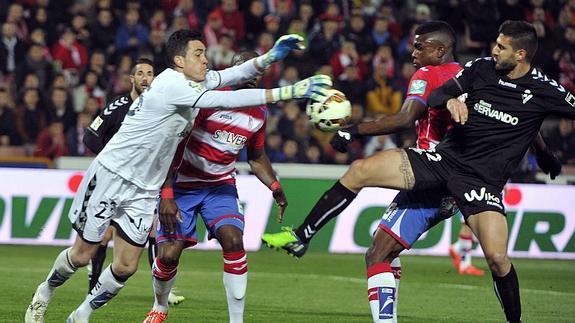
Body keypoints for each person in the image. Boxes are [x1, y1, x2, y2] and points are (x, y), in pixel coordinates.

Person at [265, 20, 571, 323]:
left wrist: (546, 155)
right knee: (360, 171)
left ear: (520, 54)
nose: (493, 49)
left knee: (497, 258)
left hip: (481, 181)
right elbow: (440, 97)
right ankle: (304, 235)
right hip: (442, 160)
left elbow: (525, 118)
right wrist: (451, 100)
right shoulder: (481, 67)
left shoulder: (545, 90)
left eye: (501, 47)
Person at [25, 29, 331, 323]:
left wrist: (271, 56)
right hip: (112, 175)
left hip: (145, 188)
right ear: (179, 61)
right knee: (81, 256)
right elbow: (224, 99)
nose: (206, 60)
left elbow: (231, 76)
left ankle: (82, 314)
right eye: (199, 54)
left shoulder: (195, 81)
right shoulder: (171, 84)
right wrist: (292, 92)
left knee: (126, 266)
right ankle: (45, 292)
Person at [143, 51, 288, 323]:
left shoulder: (259, 112)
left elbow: (256, 156)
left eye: (256, 71)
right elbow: (172, 144)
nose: (252, 75)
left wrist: (274, 185)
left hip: (219, 187)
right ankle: (160, 305)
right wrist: (166, 193)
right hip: (182, 185)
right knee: (169, 255)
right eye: (245, 69)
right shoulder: (207, 100)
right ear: (234, 71)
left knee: (233, 239)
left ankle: (236, 320)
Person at [82, 57, 185, 305]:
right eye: (140, 73)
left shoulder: (161, 108)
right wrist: (114, 159)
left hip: (146, 183)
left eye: (150, 73)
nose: (145, 78)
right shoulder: (118, 106)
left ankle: (161, 292)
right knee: (104, 235)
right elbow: (90, 136)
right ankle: (93, 287)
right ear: (132, 78)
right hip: (114, 179)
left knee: (152, 231)